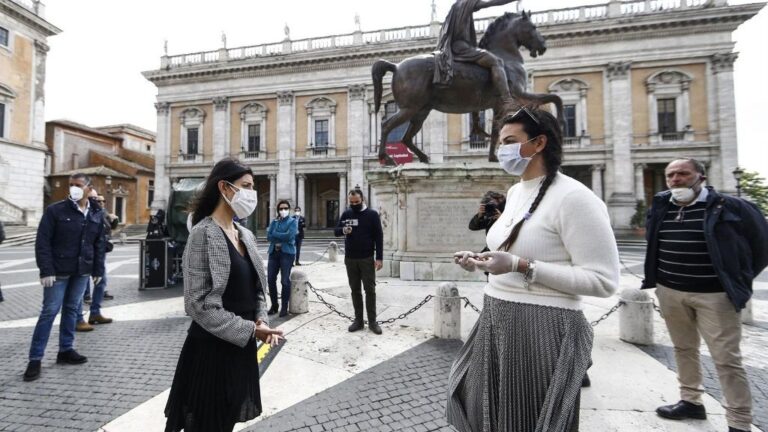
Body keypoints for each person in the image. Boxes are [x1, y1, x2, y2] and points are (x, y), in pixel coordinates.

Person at [449, 106, 619, 431]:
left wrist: (521, 265)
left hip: (542, 326)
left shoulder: (575, 198)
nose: (502, 151)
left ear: (538, 143)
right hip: (495, 316)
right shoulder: (514, 192)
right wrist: (481, 261)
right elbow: (511, 247)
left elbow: (603, 281)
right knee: (477, 407)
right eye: (500, 143)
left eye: (510, 141)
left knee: (522, 419)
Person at [642, 158, 768, 432]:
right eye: (671, 175)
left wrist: (739, 280)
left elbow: (761, 246)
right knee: (684, 349)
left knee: (726, 360)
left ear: (700, 175)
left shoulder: (732, 206)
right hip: (670, 290)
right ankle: (691, 401)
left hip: (715, 296)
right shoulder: (662, 205)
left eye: (683, 174)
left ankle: (739, 422)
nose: (676, 179)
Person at [165, 158, 283, 432]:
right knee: (207, 424)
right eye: (246, 186)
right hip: (210, 350)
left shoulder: (246, 235)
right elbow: (196, 305)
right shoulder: (202, 234)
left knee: (227, 419)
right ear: (224, 188)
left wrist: (262, 321)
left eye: (253, 187)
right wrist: (251, 330)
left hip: (240, 350)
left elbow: (258, 289)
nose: (251, 193)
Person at [24, 173, 106, 382]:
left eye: (77, 185)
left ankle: (66, 350)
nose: (73, 189)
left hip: (82, 270)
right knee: (49, 312)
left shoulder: (96, 212)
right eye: (71, 185)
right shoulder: (55, 210)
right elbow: (42, 242)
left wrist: (97, 270)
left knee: (72, 309)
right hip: (58, 270)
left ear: (89, 188)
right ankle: (35, 359)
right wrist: (46, 270)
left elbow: (98, 244)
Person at [434, 0, 517, 104]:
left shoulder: (456, 6)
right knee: (496, 62)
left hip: (455, 46)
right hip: (461, 47)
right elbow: (490, 3)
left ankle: (476, 116)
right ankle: (507, 100)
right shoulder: (466, 3)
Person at [334, 190, 384, 335]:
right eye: (352, 202)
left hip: (367, 258)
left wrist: (379, 258)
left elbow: (378, 237)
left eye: (357, 201)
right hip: (350, 258)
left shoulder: (372, 215)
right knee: (355, 290)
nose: (354, 204)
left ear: (362, 199)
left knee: (370, 290)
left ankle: (373, 322)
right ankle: (358, 320)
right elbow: (336, 231)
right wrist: (344, 230)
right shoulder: (347, 213)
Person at [76, 191, 116, 332]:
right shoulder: (79, 211)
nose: (99, 202)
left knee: (101, 282)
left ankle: (95, 313)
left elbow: (105, 231)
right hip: (83, 256)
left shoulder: (99, 212)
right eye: (95, 199)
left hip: (97, 254)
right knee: (79, 288)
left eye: (101, 200)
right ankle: (78, 318)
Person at [266, 200, 298, 317]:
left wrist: (276, 234)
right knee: (270, 279)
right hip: (273, 253)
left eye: (285, 208)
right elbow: (268, 236)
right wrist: (280, 235)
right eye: (281, 208)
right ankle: (274, 305)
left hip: (287, 253)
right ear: (278, 210)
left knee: (284, 281)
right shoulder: (274, 221)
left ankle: (284, 307)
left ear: (289, 209)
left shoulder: (293, 221)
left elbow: (290, 236)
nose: (283, 210)